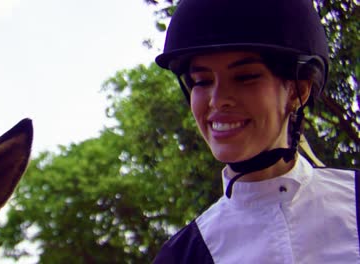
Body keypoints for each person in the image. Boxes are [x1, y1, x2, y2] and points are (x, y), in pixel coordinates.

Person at [153, 0, 359, 263]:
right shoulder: (183, 256)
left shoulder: (355, 202)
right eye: (202, 81)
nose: (217, 100)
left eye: (245, 77)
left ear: (298, 90)